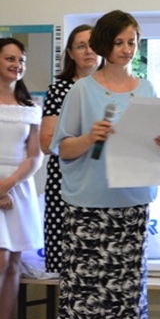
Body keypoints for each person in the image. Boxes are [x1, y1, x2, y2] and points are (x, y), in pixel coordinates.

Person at [48, 10, 160, 319]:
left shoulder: (146, 89)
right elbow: (62, 148)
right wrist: (90, 137)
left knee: (126, 300)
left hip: (132, 206)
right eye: (119, 42)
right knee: (84, 300)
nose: (126, 49)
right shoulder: (81, 90)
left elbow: (146, 143)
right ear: (105, 44)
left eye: (132, 42)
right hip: (88, 210)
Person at [40, 24, 100, 273]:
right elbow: (47, 143)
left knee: (101, 263)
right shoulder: (59, 90)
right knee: (70, 266)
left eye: (93, 45)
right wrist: (83, 141)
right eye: (81, 46)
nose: (88, 51)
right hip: (65, 182)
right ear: (70, 53)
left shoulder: (113, 90)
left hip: (103, 182)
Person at [0, 37, 43, 319]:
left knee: (14, 264)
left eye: (21, 60)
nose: (17, 65)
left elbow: (35, 156)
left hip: (18, 187)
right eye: (10, 59)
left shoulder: (31, 106)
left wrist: (8, 184)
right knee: (0, 260)